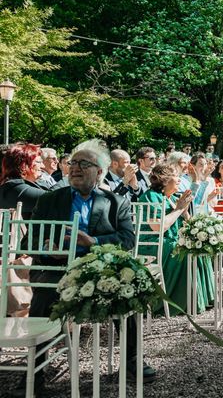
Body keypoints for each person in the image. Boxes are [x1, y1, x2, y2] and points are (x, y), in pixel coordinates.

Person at [16, 140, 155, 397]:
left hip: (98, 268)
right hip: (56, 270)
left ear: (99, 172)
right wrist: (48, 247)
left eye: (84, 164)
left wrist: (94, 242)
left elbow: (127, 241)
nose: (75, 168)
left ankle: (132, 360)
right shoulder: (50, 199)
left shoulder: (116, 202)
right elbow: (28, 241)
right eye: (72, 163)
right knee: (44, 295)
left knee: (133, 287)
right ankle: (35, 372)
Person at [138, 164, 216, 314]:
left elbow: (187, 222)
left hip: (171, 241)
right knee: (186, 251)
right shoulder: (150, 196)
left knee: (198, 247)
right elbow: (159, 228)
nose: (180, 179)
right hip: (154, 244)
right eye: (176, 176)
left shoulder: (173, 197)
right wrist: (179, 209)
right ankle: (180, 303)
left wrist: (185, 212)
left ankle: (202, 299)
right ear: (165, 180)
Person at [0, 143, 48, 219]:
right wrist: (70, 177)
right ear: (23, 165)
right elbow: (54, 199)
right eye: (38, 162)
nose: (43, 166)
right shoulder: (14, 188)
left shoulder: (16, 186)